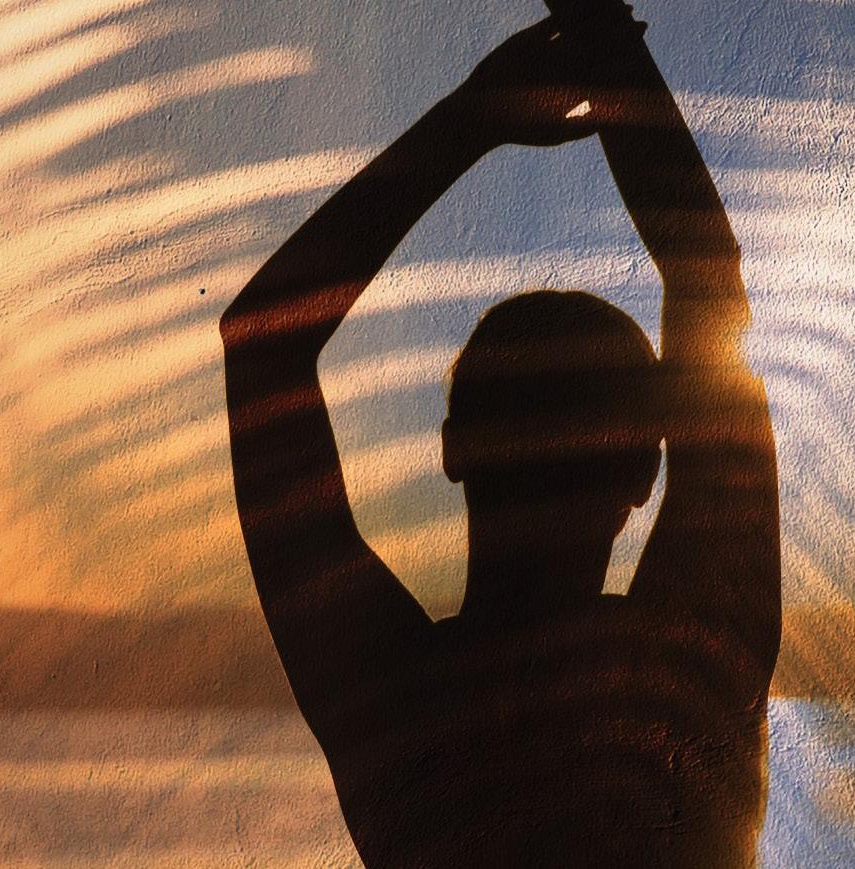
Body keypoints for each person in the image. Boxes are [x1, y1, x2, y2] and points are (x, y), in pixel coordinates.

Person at [220, 8, 780, 866]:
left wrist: (468, 122)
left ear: (452, 449)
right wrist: (603, 40)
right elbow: (707, 282)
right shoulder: (692, 664)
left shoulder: (395, 699)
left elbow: (262, 344)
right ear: (644, 465)